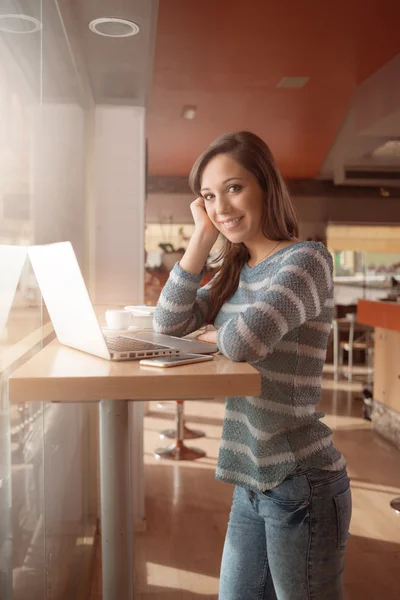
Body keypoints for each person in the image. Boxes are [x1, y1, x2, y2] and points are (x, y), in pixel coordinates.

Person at [153, 131, 352, 600]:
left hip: (302, 480)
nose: (221, 206)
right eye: (208, 196)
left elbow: (244, 340)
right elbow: (167, 323)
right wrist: (202, 236)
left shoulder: (306, 261)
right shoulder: (234, 271)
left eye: (234, 188)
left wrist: (215, 336)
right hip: (253, 478)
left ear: (266, 185)